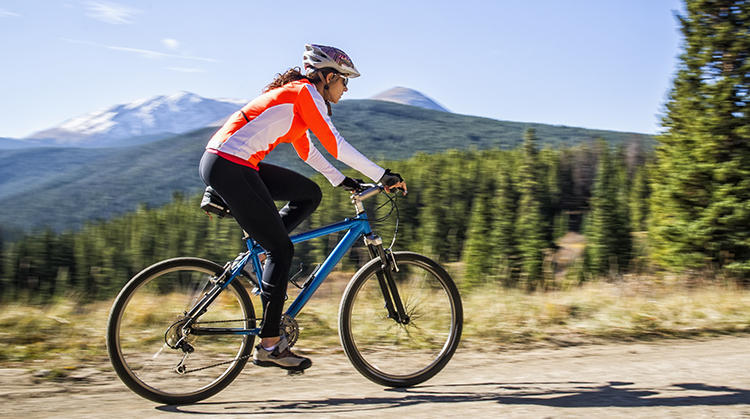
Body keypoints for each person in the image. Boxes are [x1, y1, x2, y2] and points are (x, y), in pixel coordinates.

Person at [199, 44, 406, 371]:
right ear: (327, 77)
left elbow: (308, 151)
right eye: (344, 81)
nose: (346, 88)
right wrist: (384, 175)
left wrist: (343, 181)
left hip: (233, 164)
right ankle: (269, 345)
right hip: (229, 165)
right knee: (282, 251)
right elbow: (335, 144)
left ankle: (266, 254)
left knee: (309, 194)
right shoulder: (305, 92)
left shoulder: (298, 98)